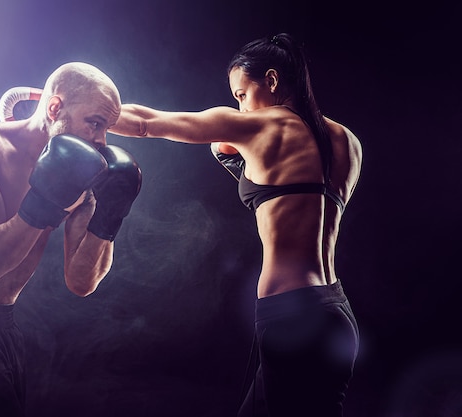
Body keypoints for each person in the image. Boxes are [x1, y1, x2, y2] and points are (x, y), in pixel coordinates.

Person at [108, 33, 362, 417]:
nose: (240, 108)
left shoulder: (261, 128)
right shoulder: (348, 142)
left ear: (272, 81)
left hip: (292, 316)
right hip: (337, 313)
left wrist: (74, 105)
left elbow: (146, 123)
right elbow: (292, 199)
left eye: (242, 95)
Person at [0, 62, 142, 417]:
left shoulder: (84, 170)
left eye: (106, 128)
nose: (101, 140)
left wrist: (110, 217)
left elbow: (81, 282)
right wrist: (47, 201)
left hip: (3, 324)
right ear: (54, 107)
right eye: (94, 123)